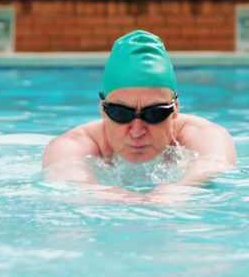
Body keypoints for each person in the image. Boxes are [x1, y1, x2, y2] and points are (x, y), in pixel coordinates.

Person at [42, 30, 236, 200]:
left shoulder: (204, 134)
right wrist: (122, 200)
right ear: (103, 110)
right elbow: (71, 181)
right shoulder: (73, 145)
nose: (136, 131)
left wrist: (180, 190)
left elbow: (214, 164)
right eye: (120, 113)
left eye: (154, 114)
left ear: (175, 108)